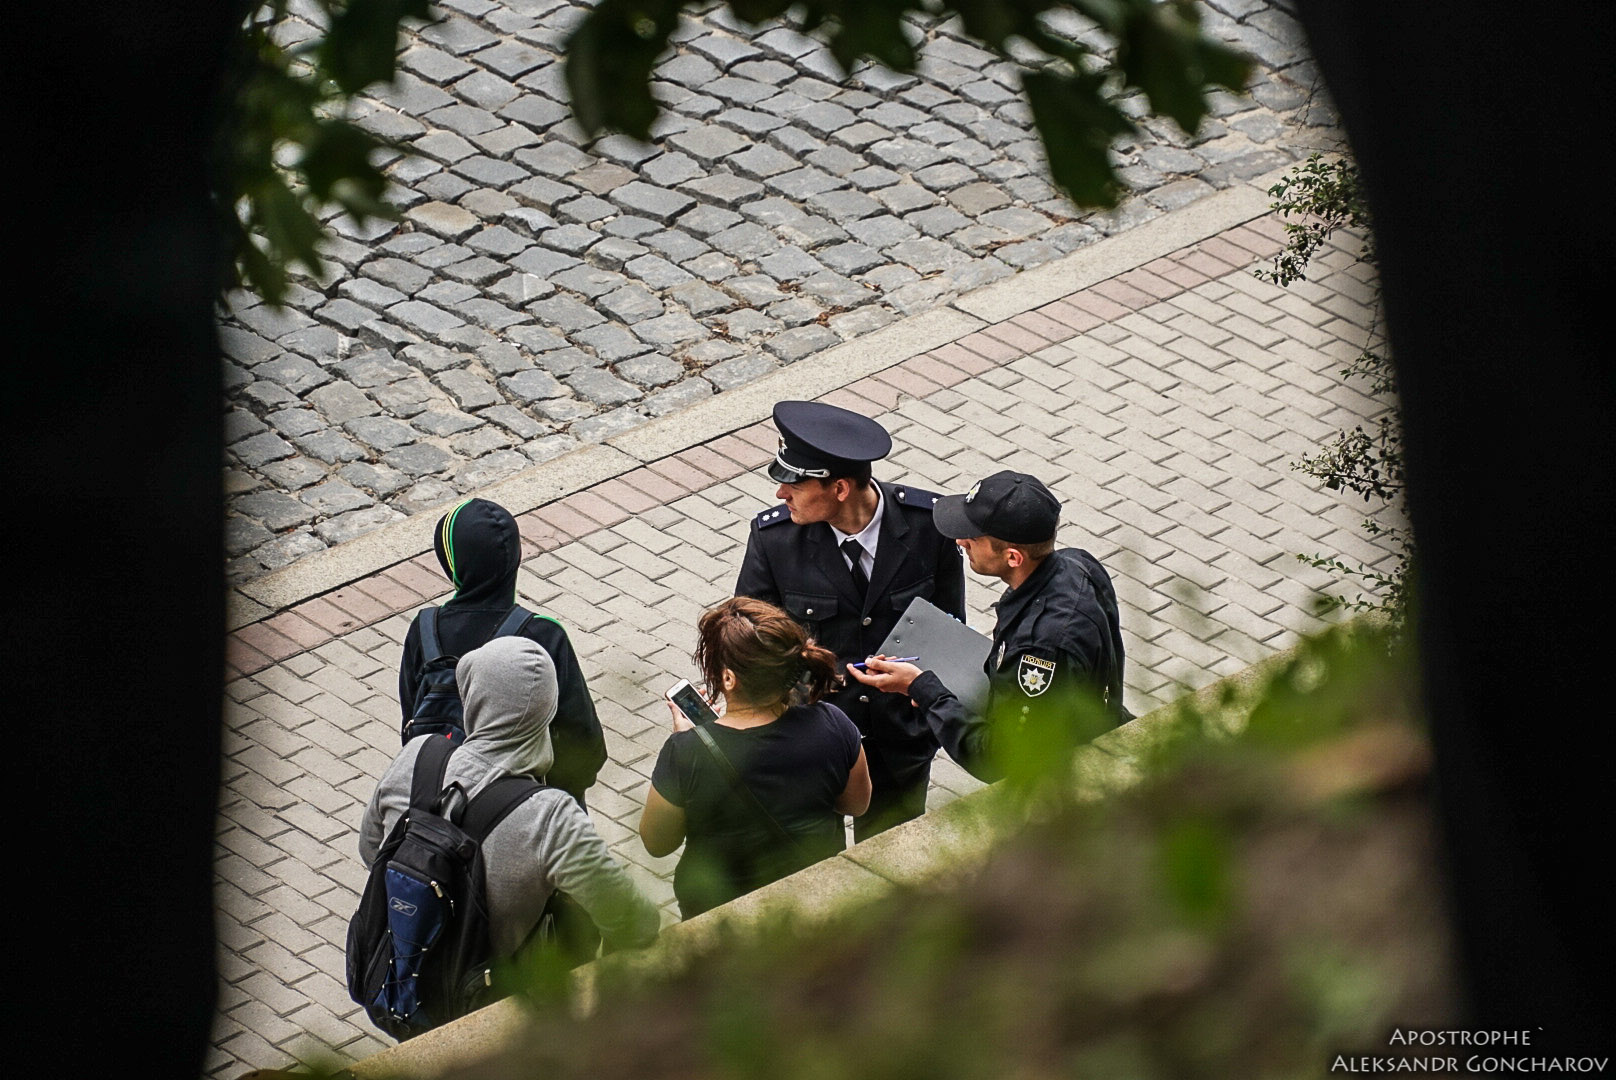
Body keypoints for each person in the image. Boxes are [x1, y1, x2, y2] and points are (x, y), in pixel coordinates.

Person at [734, 400, 965, 840]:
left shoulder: (928, 528)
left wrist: (925, 721)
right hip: (811, 738)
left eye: (795, 486)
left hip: (899, 739)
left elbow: (949, 625)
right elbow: (748, 640)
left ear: (839, 489)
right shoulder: (775, 540)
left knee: (893, 859)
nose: (781, 495)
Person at [360, 636, 660, 973]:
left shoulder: (417, 756)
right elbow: (636, 923)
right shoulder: (550, 816)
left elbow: (372, 850)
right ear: (548, 710)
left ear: (471, 696)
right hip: (495, 1001)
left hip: (395, 974)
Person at [850, 470, 1129, 783]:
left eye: (973, 537)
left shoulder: (1041, 650)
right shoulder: (1079, 563)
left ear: (1012, 557)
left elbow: (1002, 758)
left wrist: (922, 688)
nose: (960, 541)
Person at [639, 597, 872, 919]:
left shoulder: (687, 752)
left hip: (720, 913)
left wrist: (690, 739)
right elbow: (856, 805)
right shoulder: (833, 722)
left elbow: (658, 843)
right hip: (815, 898)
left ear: (729, 679)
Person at [398, 497, 606, 808]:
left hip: (440, 806)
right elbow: (585, 742)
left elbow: (410, 724)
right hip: (530, 808)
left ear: (453, 564)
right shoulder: (543, 634)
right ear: (515, 559)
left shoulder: (424, 630)